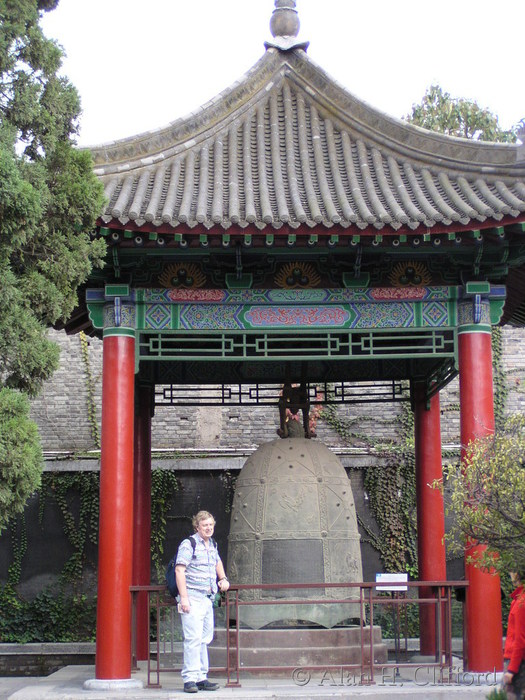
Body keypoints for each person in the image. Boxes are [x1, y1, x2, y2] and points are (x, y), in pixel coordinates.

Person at [175, 510, 230, 693]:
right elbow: (179, 570)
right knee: (193, 639)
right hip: (192, 597)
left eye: (211, 525)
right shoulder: (188, 544)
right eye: (205, 525)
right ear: (197, 526)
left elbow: (217, 562)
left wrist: (222, 578)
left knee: (204, 639)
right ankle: (189, 678)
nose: (208, 528)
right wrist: (184, 598)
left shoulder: (212, 544)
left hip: (207, 599)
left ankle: (201, 677)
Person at [503, 570, 525, 700]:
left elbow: (520, 639)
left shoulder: (521, 603)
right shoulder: (519, 600)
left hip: (517, 661)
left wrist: (511, 669)